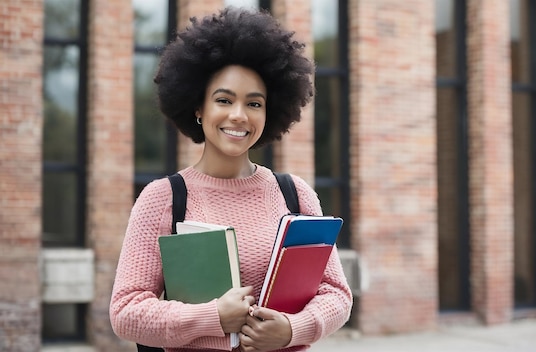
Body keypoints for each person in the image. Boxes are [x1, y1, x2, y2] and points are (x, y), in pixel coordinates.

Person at [109, 6, 353, 352]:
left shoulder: (294, 195)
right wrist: (213, 317)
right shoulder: (163, 198)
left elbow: (336, 294)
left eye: (254, 104)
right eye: (224, 100)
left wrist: (291, 329)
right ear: (199, 108)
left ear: (270, 112)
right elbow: (126, 312)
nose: (238, 116)